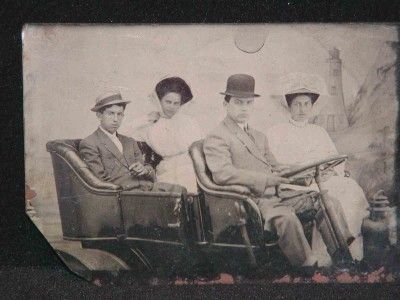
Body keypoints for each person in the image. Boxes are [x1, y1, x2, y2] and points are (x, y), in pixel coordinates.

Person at [203, 74, 325, 271]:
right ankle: (308, 270)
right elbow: (222, 174)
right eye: (238, 102)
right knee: (286, 218)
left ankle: (343, 257)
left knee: (325, 201)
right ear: (225, 105)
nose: (244, 108)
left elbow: (275, 167)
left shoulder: (259, 136)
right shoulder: (218, 136)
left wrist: (297, 172)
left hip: (279, 195)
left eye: (249, 103)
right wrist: (266, 179)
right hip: (251, 201)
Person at [266, 82, 369, 266]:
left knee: (349, 190)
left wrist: (330, 172)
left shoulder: (319, 131)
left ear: (312, 107)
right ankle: (331, 257)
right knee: (327, 199)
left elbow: (334, 159)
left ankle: (349, 250)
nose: (302, 109)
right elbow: (276, 167)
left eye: (306, 104)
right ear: (289, 106)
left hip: (321, 180)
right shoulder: (276, 132)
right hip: (295, 185)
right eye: (297, 104)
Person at [79, 91, 185, 194]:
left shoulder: (129, 141)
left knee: (182, 191)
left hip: (146, 188)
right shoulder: (90, 143)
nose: (116, 119)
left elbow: (147, 168)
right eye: (111, 114)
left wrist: (144, 170)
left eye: (119, 114)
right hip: (125, 194)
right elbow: (99, 181)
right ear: (99, 115)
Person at [131, 77, 203, 193]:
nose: (172, 107)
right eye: (168, 102)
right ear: (159, 101)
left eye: (176, 103)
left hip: (189, 169)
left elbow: (198, 147)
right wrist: (146, 119)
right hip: (166, 170)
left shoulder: (189, 121)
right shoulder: (152, 124)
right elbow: (127, 131)